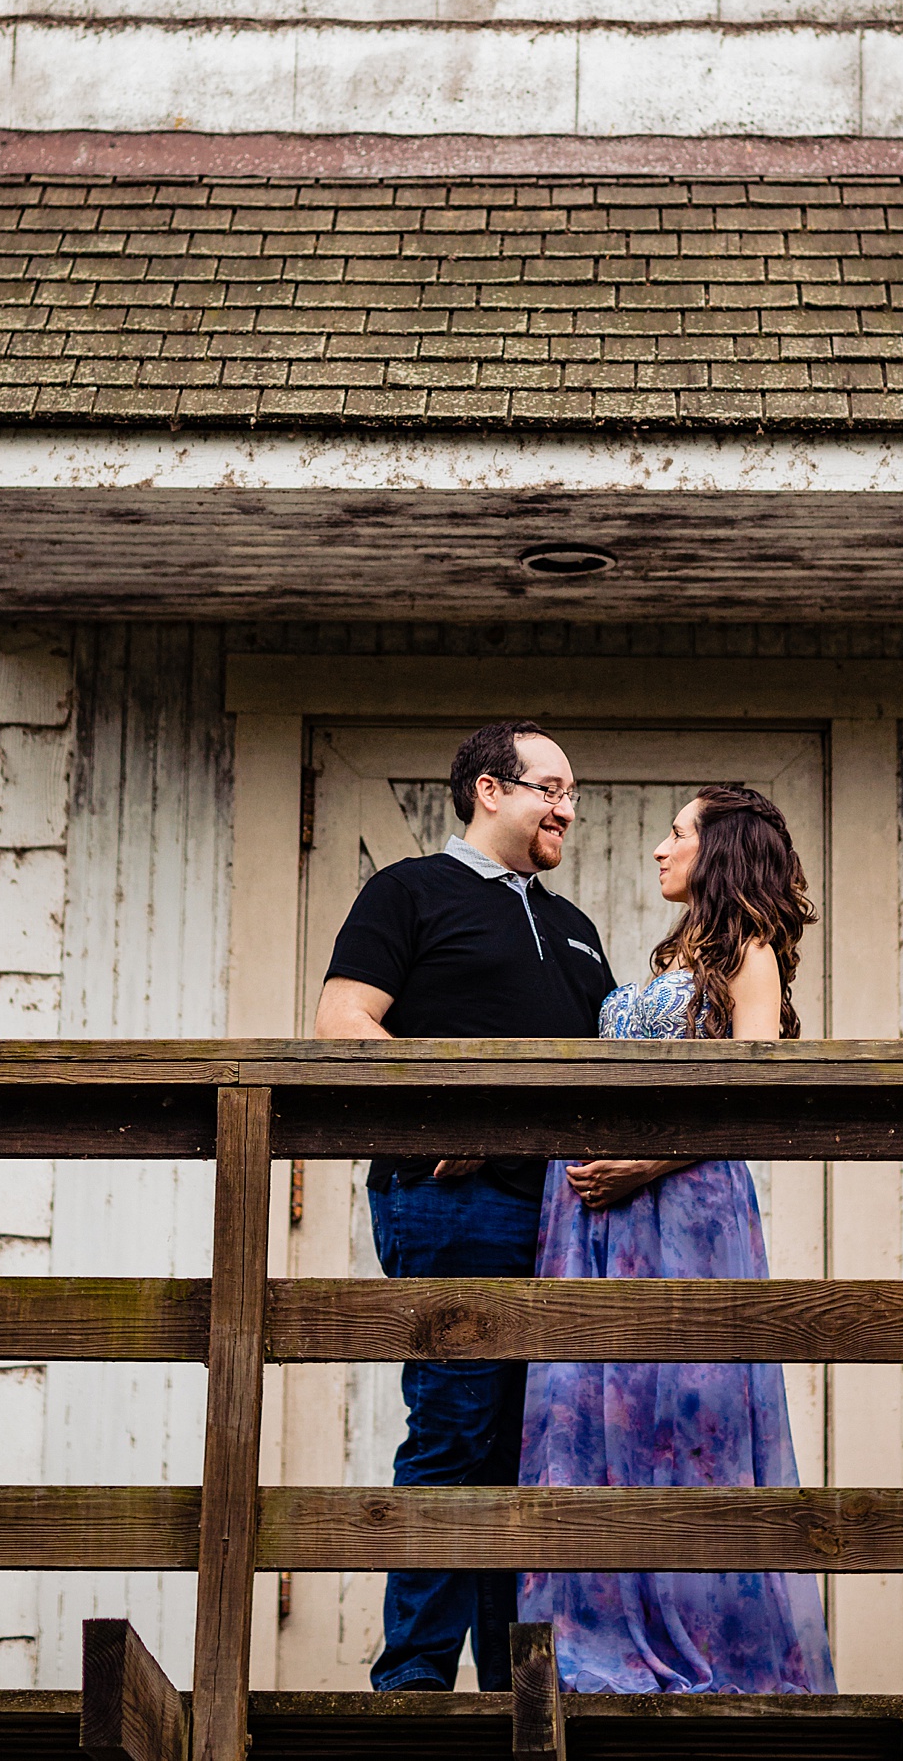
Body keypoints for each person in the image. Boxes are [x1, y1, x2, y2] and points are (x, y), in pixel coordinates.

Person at [314, 719, 614, 1695]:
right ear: (491, 789)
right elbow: (342, 1021)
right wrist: (437, 1107)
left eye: (573, 791)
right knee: (453, 1431)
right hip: (452, 1202)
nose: (568, 805)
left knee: (530, 1450)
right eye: (551, 786)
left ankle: (510, 1688)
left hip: (560, 1220)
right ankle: (414, 1687)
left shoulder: (574, 927)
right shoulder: (406, 892)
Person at [517, 785, 837, 1695]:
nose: (660, 849)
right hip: (600, 1219)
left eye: (678, 833)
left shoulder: (752, 954)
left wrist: (641, 1166)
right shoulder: (675, 954)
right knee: (600, 1414)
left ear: (720, 851)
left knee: (686, 1416)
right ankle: (594, 1640)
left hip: (683, 1206)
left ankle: (713, 1648)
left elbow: (754, 1098)